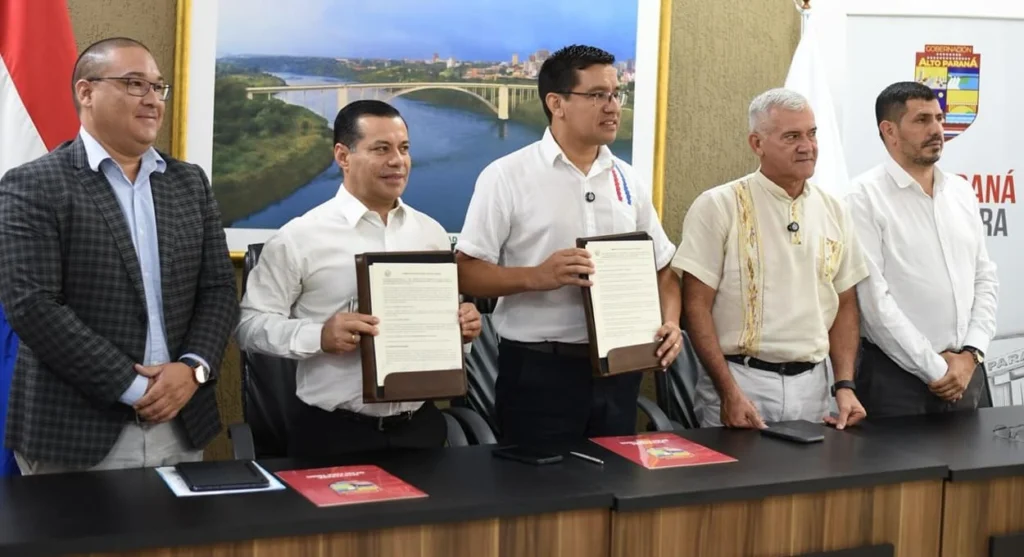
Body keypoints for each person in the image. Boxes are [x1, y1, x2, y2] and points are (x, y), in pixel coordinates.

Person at [0, 37, 238, 474]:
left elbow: (219, 288)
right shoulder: (33, 184)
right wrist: (133, 387)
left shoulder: (189, 183)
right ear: (86, 92)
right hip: (75, 432)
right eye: (134, 84)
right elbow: (32, 305)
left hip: (182, 422)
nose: (152, 99)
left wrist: (193, 369)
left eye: (158, 87)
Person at [455, 45, 682, 445]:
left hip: (620, 370)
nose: (612, 106)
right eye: (597, 95)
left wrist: (672, 324)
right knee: (538, 483)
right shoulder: (506, 176)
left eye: (616, 94)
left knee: (616, 479)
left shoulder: (628, 179)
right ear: (556, 103)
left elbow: (663, 269)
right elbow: (466, 270)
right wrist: (537, 276)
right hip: (539, 371)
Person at [236, 100, 482, 457]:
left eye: (404, 148)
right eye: (381, 149)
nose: (397, 161)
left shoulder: (431, 233)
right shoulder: (300, 237)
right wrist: (319, 336)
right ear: (343, 156)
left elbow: (446, 329)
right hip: (335, 432)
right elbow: (249, 326)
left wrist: (463, 329)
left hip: (421, 428)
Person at [673, 88, 869, 429]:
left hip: (814, 387)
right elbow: (695, 307)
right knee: (735, 468)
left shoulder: (835, 210)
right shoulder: (718, 205)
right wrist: (728, 392)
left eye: (811, 134)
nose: (807, 146)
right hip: (741, 380)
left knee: (813, 468)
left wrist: (844, 385)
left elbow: (846, 304)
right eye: (792, 137)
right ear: (757, 143)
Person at [847, 82, 998, 418]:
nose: (937, 130)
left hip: (968, 373)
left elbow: (984, 278)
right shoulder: (863, 197)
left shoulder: (961, 191)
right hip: (896, 380)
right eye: (922, 120)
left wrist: (971, 354)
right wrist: (935, 368)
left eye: (939, 118)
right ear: (889, 131)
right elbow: (873, 303)